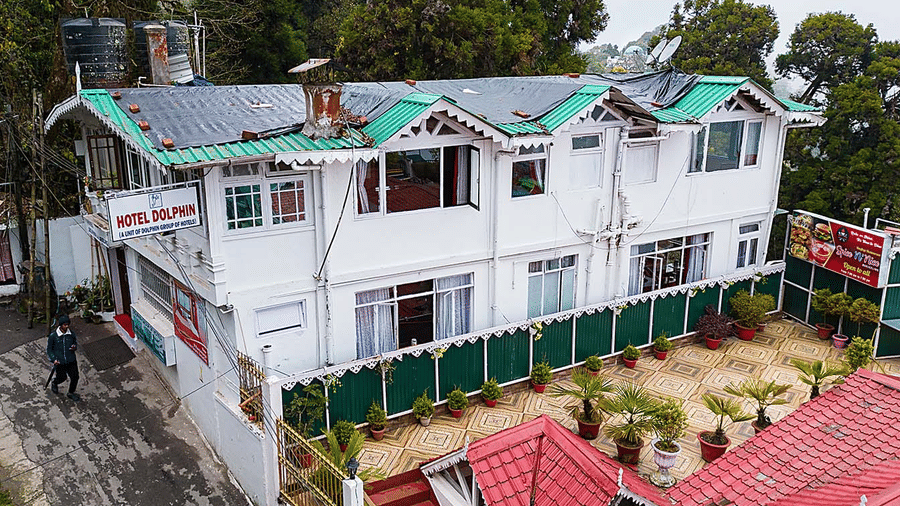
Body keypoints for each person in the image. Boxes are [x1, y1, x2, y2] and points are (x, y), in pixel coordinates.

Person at [47, 314, 80, 401]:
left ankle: (71, 392)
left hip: (71, 360)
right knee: (62, 377)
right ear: (61, 325)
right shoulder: (53, 336)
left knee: (75, 377)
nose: (67, 326)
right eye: (65, 325)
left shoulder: (71, 334)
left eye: (67, 324)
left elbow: (75, 343)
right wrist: (54, 359)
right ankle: (55, 382)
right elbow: (49, 349)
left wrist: (74, 347)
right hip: (60, 362)